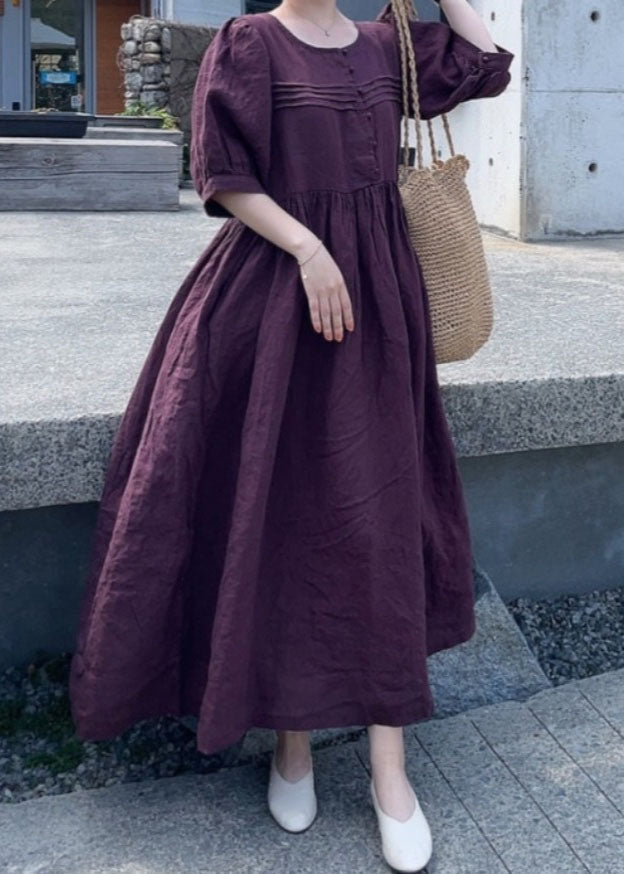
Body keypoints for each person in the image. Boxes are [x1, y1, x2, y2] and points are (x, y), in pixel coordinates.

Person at [68, 0, 513, 870]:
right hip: (274, 304)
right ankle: (292, 741)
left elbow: (487, 64)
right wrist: (311, 251)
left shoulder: (390, 44)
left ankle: (390, 767)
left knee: (382, 524)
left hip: (380, 310)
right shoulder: (250, 41)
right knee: (279, 520)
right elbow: (222, 172)